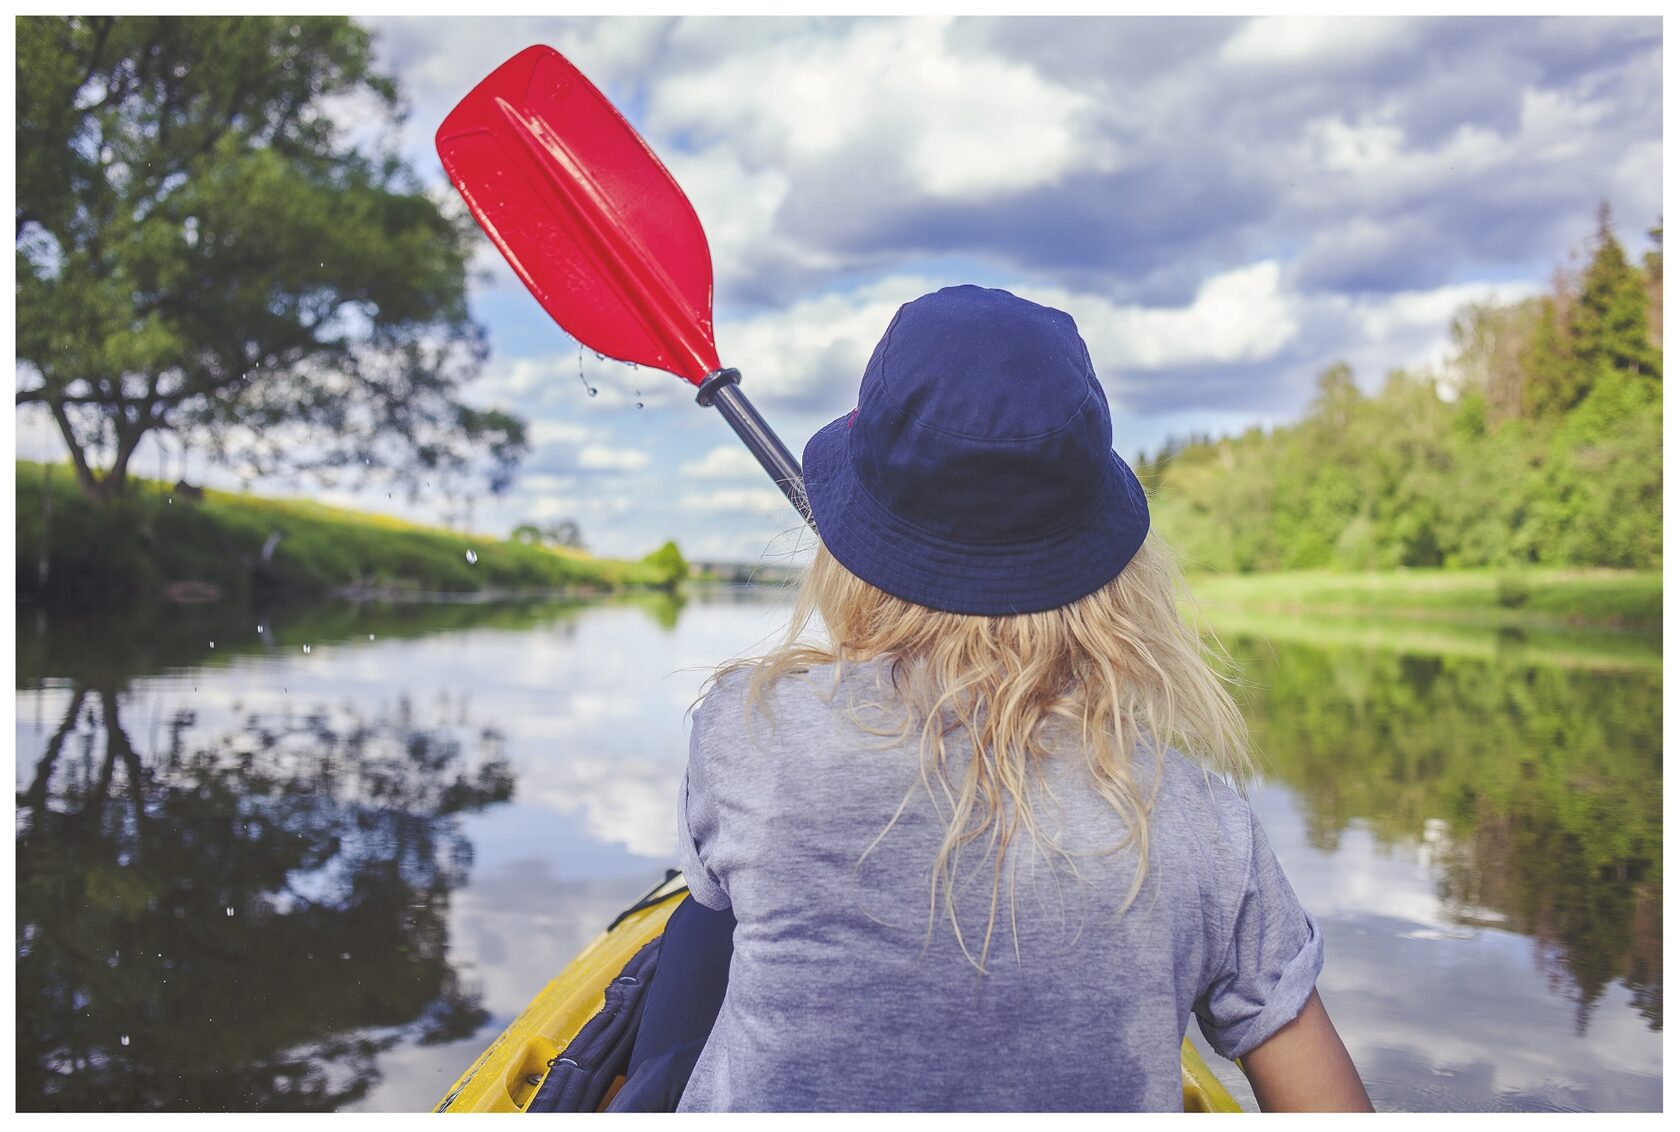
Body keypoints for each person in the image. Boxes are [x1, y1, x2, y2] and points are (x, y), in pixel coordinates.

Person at [648, 285, 1371, 1112]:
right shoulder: (1207, 824)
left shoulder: (749, 732)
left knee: (699, 932)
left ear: (854, 542)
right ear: (1104, 562)